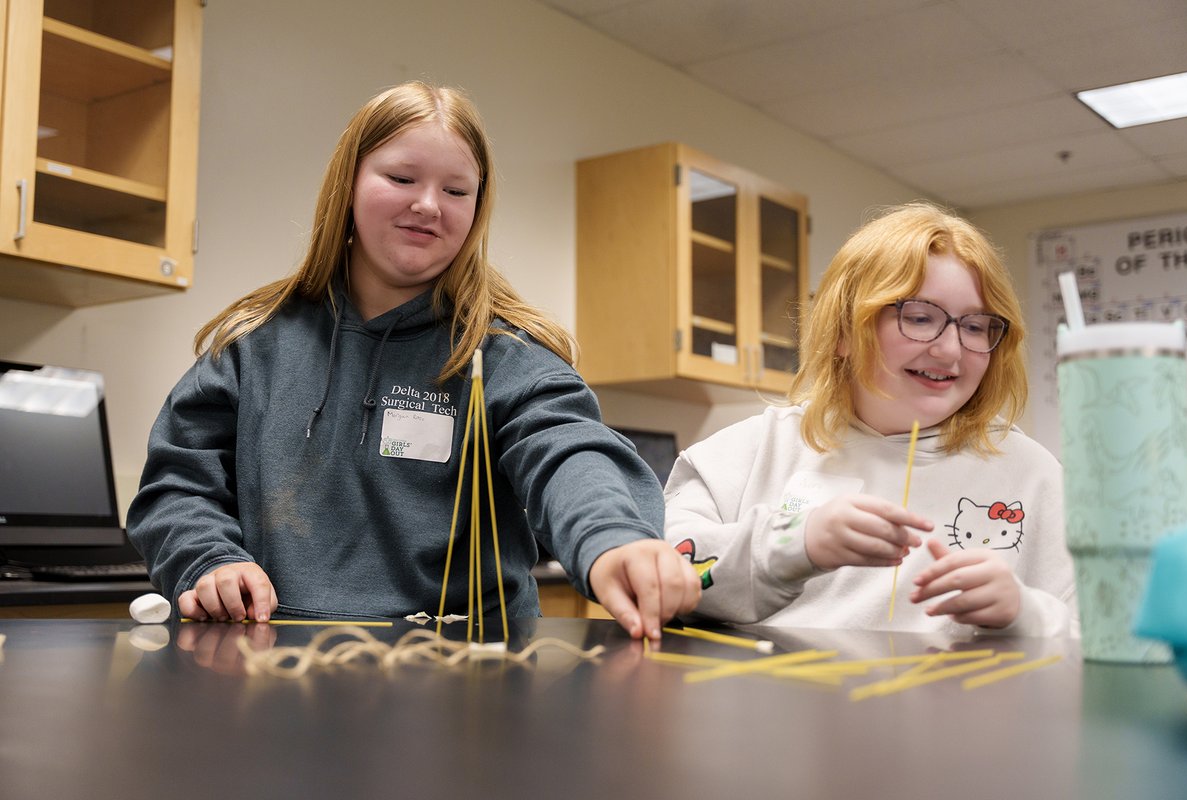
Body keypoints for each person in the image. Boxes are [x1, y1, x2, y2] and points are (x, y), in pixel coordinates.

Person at [127, 82, 698, 639]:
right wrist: (207, 561)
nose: (428, 205)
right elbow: (177, 484)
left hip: (463, 684)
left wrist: (613, 536)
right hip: (276, 667)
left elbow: (567, 450)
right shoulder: (254, 344)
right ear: (347, 185)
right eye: (401, 178)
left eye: (457, 191)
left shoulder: (506, 355)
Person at [665, 202, 1076, 637]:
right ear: (844, 331)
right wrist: (793, 544)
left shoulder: (1032, 474)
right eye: (919, 318)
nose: (951, 350)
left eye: (976, 327)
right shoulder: (748, 452)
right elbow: (666, 575)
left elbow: (1102, 638)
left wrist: (1024, 613)